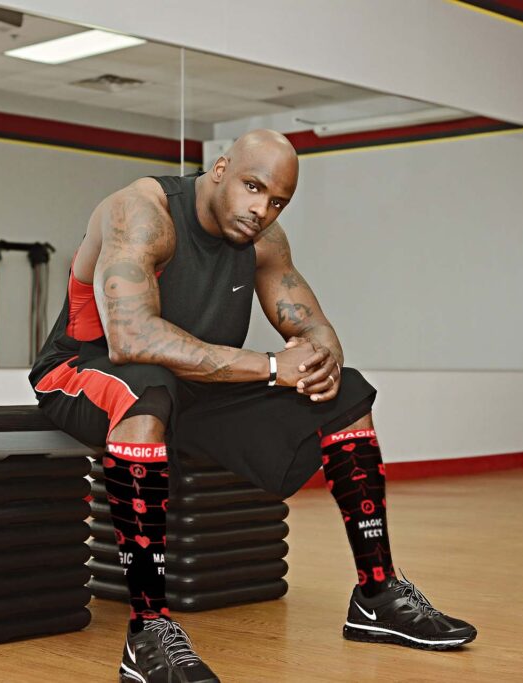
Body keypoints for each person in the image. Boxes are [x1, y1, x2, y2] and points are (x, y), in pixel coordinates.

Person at [29, 129, 477, 682]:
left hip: (191, 383)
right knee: (145, 385)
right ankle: (148, 632)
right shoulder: (141, 211)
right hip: (83, 369)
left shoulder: (264, 239)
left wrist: (320, 363)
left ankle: (378, 593)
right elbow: (130, 339)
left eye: (277, 201)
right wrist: (270, 367)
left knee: (349, 392)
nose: (261, 209)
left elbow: (315, 329)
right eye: (252, 187)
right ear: (219, 169)